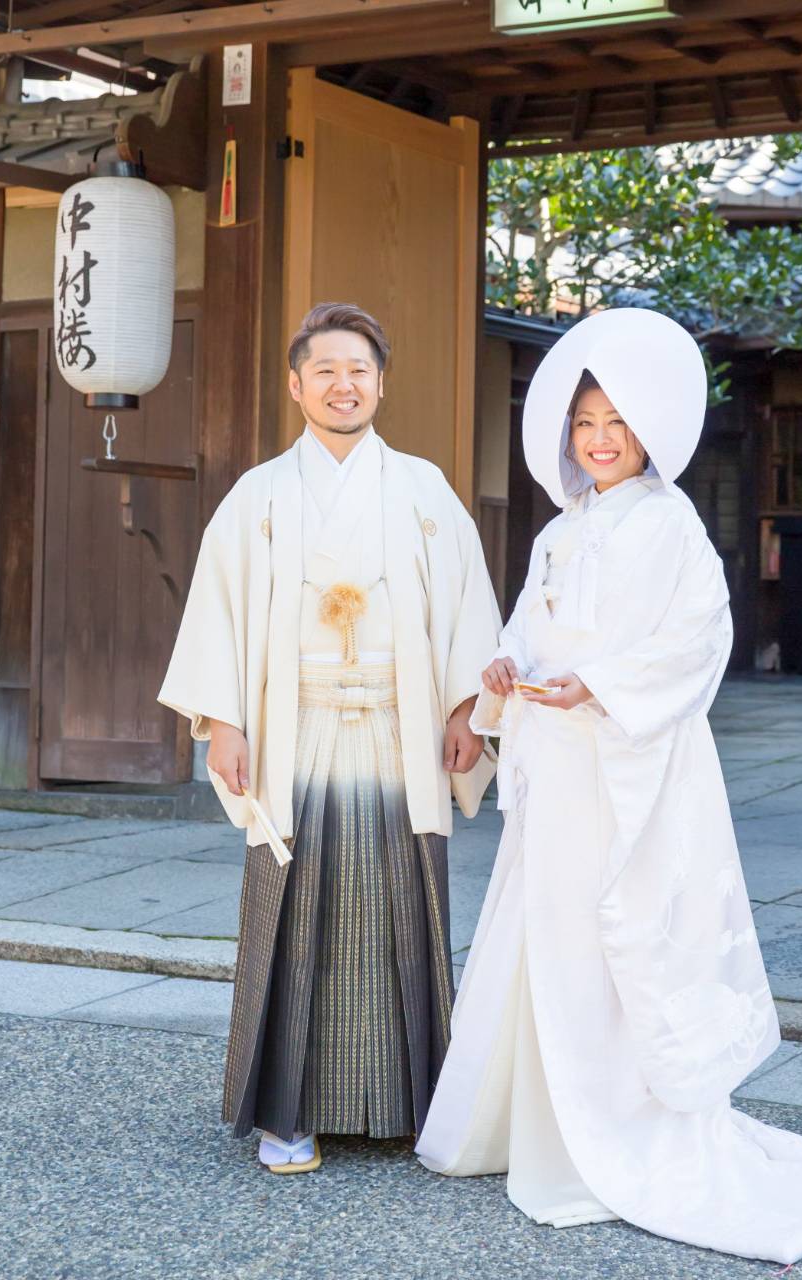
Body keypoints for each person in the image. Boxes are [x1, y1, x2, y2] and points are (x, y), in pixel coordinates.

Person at [415, 308, 802, 1264]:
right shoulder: (559, 532)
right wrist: (501, 675)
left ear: (649, 432)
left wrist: (606, 686)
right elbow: (523, 631)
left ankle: (608, 1139)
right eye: (585, 423)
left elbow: (697, 642)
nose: (598, 440)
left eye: (616, 424)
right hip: (559, 760)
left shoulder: (673, 527)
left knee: (617, 935)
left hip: (632, 763)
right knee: (546, 930)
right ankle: (527, 1127)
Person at [160, 302, 500, 1173]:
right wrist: (225, 723)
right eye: (325, 371)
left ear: (381, 383)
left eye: (358, 370)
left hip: (396, 729)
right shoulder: (259, 496)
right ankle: (288, 1112)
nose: (343, 385)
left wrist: (465, 711)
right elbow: (219, 612)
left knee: (401, 904)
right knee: (294, 906)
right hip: (296, 727)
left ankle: (407, 1105)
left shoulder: (424, 489)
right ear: (296, 384)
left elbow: (466, 608)